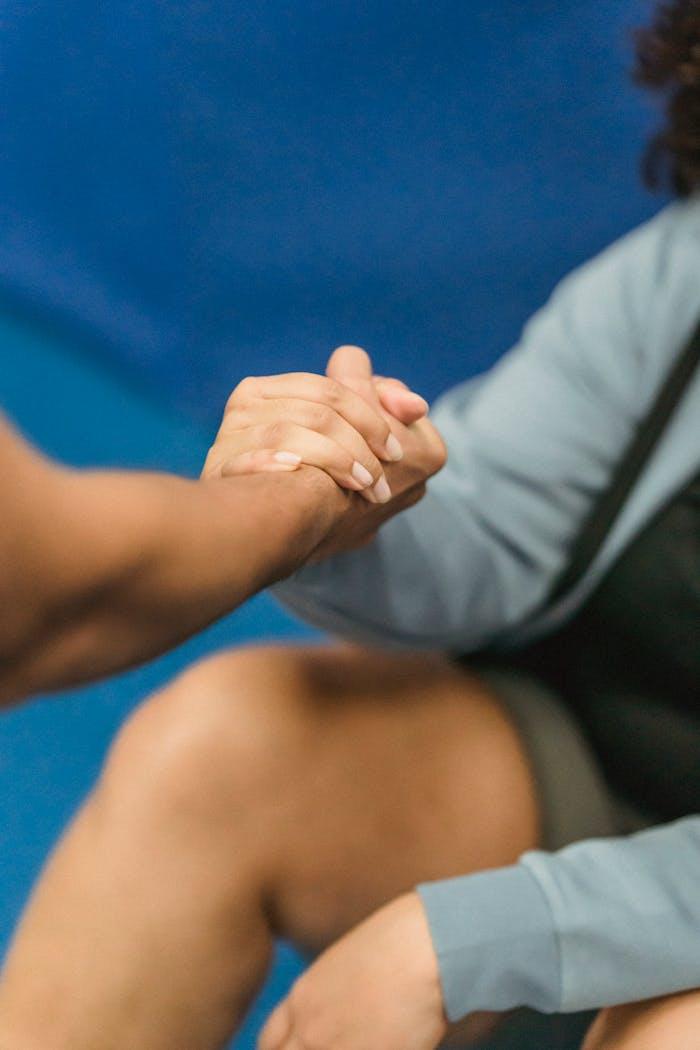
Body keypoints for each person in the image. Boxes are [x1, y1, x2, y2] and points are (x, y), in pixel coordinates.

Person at [1, 5, 699, 1050]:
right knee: (222, 743)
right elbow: (494, 524)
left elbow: (55, 600)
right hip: (601, 782)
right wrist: (342, 492)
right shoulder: (679, 270)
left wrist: (472, 939)